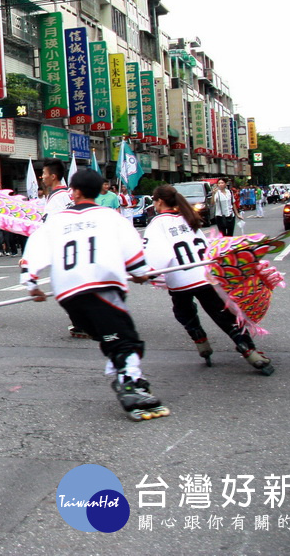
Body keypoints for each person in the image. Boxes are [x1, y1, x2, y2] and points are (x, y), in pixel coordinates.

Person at [20, 168, 169, 421]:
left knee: (110, 337)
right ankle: (131, 386)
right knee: (126, 339)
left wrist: (31, 283)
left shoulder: (56, 220)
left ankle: (128, 376)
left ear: (74, 192)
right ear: (100, 190)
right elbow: (134, 256)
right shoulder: (111, 218)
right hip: (99, 285)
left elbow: (33, 251)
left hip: (68, 294)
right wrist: (141, 272)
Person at [144, 184, 274, 374]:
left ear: (160, 201)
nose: (154, 205)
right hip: (204, 276)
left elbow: (157, 256)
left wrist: (148, 274)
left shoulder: (157, 223)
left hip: (180, 279)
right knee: (222, 315)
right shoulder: (188, 218)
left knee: (184, 312)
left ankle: (201, 342)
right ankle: (249, 350)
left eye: (154, 201)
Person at [41, 159, 82, 337]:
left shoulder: (57, 198)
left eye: (43, 173)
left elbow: (48, 227)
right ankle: (82, 321)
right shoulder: (68, 194)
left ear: (53, 176)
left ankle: (82, 324)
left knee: (67, 289)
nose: (41, 177)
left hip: (66, 249)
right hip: (75, 246)